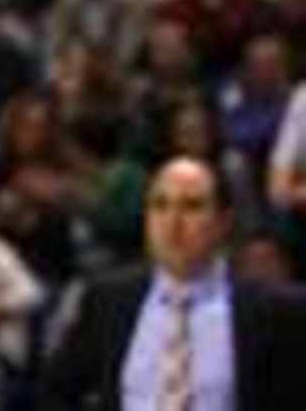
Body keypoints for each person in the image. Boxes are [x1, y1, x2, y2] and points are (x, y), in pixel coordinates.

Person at [35, 153, 306, 410]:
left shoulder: (278, 310)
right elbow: (55, 392)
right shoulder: (108, 300)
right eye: (160, 206)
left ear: (224, 221)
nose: (172, 223)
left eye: (192, 206)